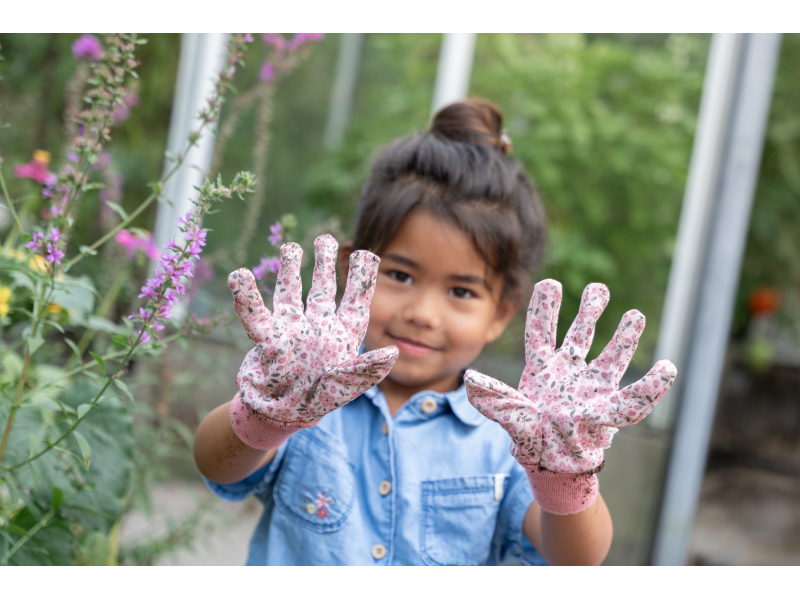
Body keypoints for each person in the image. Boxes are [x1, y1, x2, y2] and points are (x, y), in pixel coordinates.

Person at [193, 99, 677, 566]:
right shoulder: (306, 392)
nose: (423, 314)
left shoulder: (515, 437)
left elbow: (576, 559)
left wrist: (565, 473)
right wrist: (267, 414)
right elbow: (216, 464)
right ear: (352, 270)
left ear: (500, 313)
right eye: (401, 276)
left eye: (461, 291)